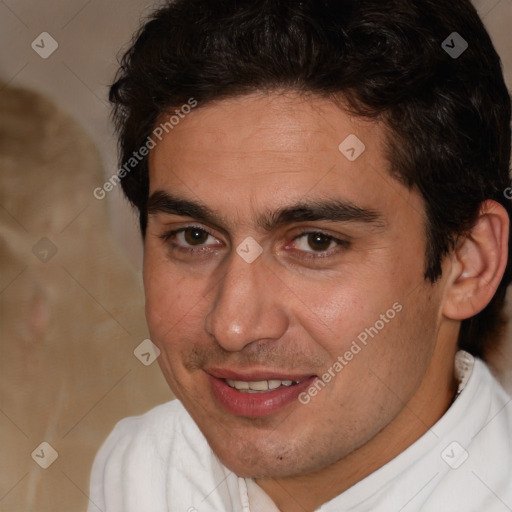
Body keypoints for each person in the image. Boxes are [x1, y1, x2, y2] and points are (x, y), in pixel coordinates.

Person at [87, 0, 512, 510]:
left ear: (468, 264)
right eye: (195, 237)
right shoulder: (143, 470)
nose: (233, 325)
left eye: (316, 242)